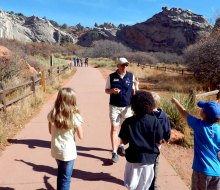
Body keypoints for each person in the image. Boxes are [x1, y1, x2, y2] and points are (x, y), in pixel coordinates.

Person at [171, 98, 220, 190]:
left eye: (202, 109)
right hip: (217, 172)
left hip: (201, 170)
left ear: (204, 115)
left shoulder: (199, 125)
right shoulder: (218, 129)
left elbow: (184, 113)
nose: (200, 110)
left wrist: (176, 102)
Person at [119, 90, 164, 190]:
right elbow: (159, 140)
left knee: (131, 185)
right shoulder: (154, 121)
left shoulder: (128, 122)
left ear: (133, 105)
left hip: (133, 159)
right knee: (145, 186)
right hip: (149, 160)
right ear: (150, 104)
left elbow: (124, 141)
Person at [47, 88, 84, 190]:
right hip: (68, 153)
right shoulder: (75, 116)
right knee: (66, 178)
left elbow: (50, 132)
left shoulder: (52, 114)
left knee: (61, 173)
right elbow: (81, 136)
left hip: (56, 150)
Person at [105, 57, 139, 163]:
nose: (125, 67)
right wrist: (112, 91)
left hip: (127, 107)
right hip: (114, 106)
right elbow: (106, 90)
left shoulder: (131, 76)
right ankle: (114, 152)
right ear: (118, 66)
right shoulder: (111, 77)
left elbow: (134, 92)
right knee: (115, 128)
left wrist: (137, 88)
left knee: (126, 129)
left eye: (126, 65)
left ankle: (121, 145)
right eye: (123, 65)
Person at [149, 92, 171, 190]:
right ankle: (153, 184)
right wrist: (167, 138)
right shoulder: (163, 115)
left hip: (145, 142)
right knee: (155, 164)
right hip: (157, 144)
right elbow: (167, 129)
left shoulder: (146, 114)